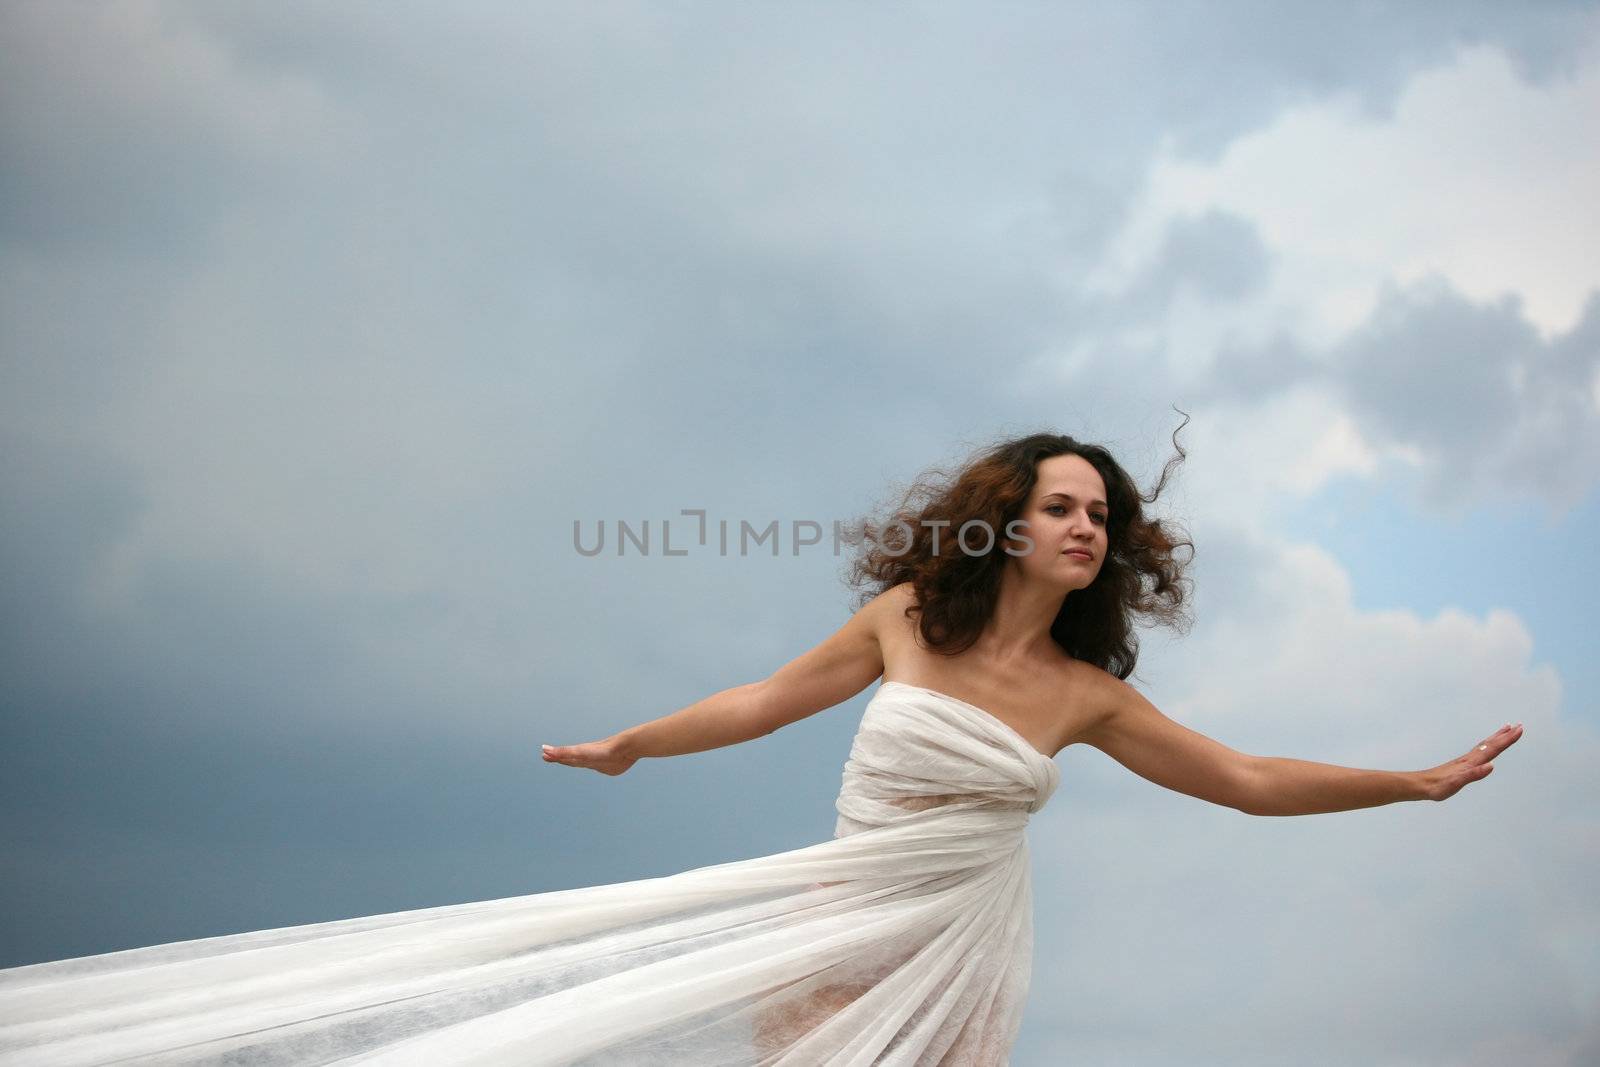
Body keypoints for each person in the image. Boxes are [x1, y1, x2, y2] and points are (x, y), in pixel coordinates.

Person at [0, 424, 1522, 1066]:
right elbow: (761, 701)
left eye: (1103, 516)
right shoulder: (905, 617)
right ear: (1010, 515)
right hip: (840, 936)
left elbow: (1247, 782)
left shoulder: (1087, 696)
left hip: (968, 955)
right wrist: (635, 747)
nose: (1085, 527)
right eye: (1063, 504)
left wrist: (1414, 779)